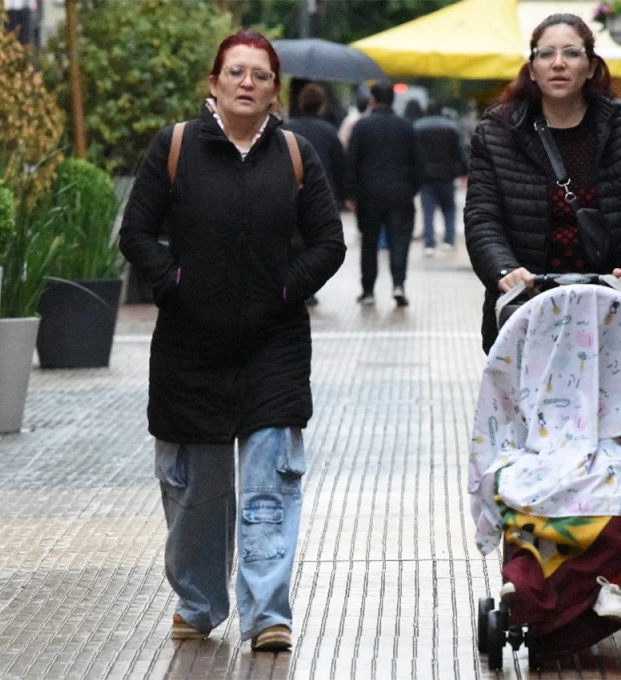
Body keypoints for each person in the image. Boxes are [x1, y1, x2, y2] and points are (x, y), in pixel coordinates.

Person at [118, 30, 346, 653]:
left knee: (271, 486)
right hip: (189, 349)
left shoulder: (295, 153)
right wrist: (174, 284)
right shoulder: (176, 146)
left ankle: (268, 613)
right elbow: (136, 232)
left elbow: (329, 241)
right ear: (213, 83)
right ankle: (199, 602)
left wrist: (285, 289)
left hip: (274, 348)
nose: (248, 83)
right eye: (236, 72)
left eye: (261, 75)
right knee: (198, 491)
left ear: (275, 91)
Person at [464, 13, 621, 355]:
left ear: (591, 67)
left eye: (572, 53)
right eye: (546, 54)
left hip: (614, 306)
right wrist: (505, 270)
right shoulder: (497, 131)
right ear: (532, 69)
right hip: (528, 304)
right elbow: (482, 218)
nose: (558, 63)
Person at [345, 81, 424, 307]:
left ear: (373, 99)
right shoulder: (406, 126)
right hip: (400, 194)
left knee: (369, 243)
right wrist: (412, 189)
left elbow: (351, 161)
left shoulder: (362, 126)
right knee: (399, 241)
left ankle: (368, 290)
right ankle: (398, 285)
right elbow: (418, 163)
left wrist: (350, 193)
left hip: (368, 194)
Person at [284, 83, 348, 308]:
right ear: (321, 105)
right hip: (322, 194)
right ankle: (307, 287)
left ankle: (293, 282)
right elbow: (340, 165)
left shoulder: (287, 130)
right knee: (317, 242)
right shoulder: (329, 131)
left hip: (289, 192)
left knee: (293, 240)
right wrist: (344, 195)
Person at [414, 100, 469, 256]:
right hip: (447, 174)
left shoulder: (418, 126)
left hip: (426, 175)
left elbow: (414, 152)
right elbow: (460, 151)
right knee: (449, 208)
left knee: (428, 210)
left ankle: (429, 243)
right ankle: (449, 240)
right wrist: (464, 171)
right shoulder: (452, 126)